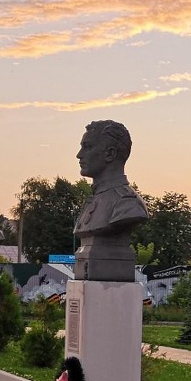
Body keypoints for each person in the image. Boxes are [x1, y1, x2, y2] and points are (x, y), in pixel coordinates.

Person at [72, 120, 148, 281]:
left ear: (110, 154)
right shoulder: (96, 199)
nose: (79, 155)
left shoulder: (127, 204)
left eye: (88, 147)